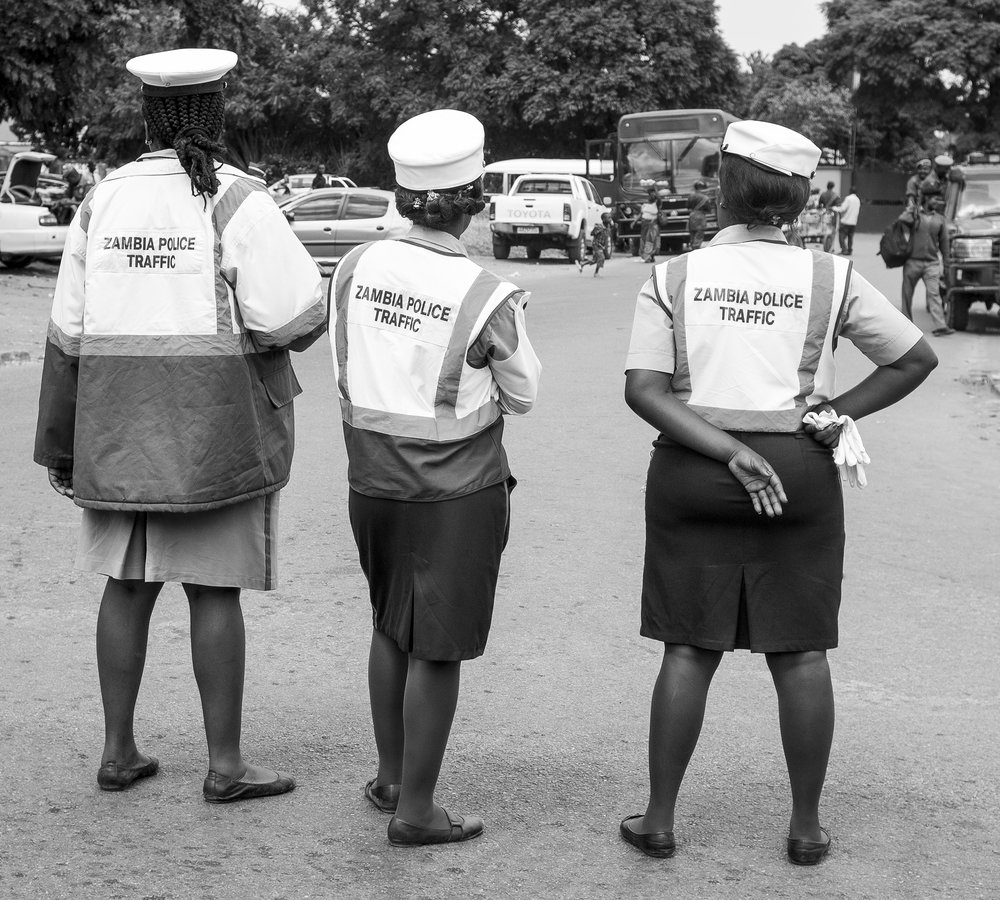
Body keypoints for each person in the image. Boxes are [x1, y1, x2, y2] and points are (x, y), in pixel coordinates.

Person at [619, 119, 937, 866]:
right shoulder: (831, 277)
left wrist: (728, 450)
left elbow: (643, 389)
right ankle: (804, 828)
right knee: (799, 656)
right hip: (798, 469)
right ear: (799, 200)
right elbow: (914, 358)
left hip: (695, 469)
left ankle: (659, 821)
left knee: (689, 650)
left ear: (725, 187)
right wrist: (831, 413)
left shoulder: (675, 275)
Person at [33, 48, 327, 803]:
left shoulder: (102, 200)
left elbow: (66, 332)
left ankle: (118, 751)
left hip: (118, 427)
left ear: (148, 116)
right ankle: (225, 767)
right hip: (213, 429)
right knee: (212, 591)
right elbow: (293, 316)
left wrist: (61, 445)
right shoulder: (236, 199)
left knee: (126, 587)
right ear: (215, 114)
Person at [328, 109, 541, 846]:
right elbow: (525, 392)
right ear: (476, 197)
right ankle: (416, 811)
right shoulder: (485, 292)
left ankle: (391, 776)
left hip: (372, 481)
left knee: (390, 626)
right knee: (437, 646)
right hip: (454, 491)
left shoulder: (355, 266)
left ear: (402, 190)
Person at [900, 196, 954, 335]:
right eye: (934, 199)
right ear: (926, 199)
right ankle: (905, 324)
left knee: (934, 293)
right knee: (907, 294)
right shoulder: (914, 215)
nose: (936, 201)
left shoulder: (939, 219)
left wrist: (947, 264)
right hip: (913, 262)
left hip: (931, 263)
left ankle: (940, 325)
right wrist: (911, 209)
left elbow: (944, 243)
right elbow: (902, 220)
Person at [833, 185, 860, 255]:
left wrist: (834, 208)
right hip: (853, 222)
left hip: (846, 221)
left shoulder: (848, 198)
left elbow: (842, 209)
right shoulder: (858, 200)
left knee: (841, 235)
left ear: (850, 191)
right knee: (850, 237)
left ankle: (844, 249)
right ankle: (850, 250)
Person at [686, 180, 713, 250]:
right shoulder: (705, 198)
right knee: (699, 234)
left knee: (692, 234)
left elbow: (687, 206)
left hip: (692, 216)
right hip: (701, 217)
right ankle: (696, 248)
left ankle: (692, 247)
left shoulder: (690, 196)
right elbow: (709, 209)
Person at [817, 180, 840, 252]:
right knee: (833, 231)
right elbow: (838, 206)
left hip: (824, 214)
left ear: (827, 186)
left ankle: (825, 242)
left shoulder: (823, 194)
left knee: (824, 228)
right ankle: (831, 247)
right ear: (833, 187)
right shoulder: (835, 195)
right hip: (832, 215)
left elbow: (819, 205)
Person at [639, 187, 660, 263]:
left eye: (653, 194)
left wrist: (655, 189)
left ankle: (651, 256)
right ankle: (647, 256)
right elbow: (641, 214)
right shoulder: (644, 203)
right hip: (645, 224)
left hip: (653, 224)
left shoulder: (657, 203)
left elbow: (658, 198)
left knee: (651, 240)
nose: (652, 196)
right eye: (650, 194)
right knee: (645, 240)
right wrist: (634, 222)